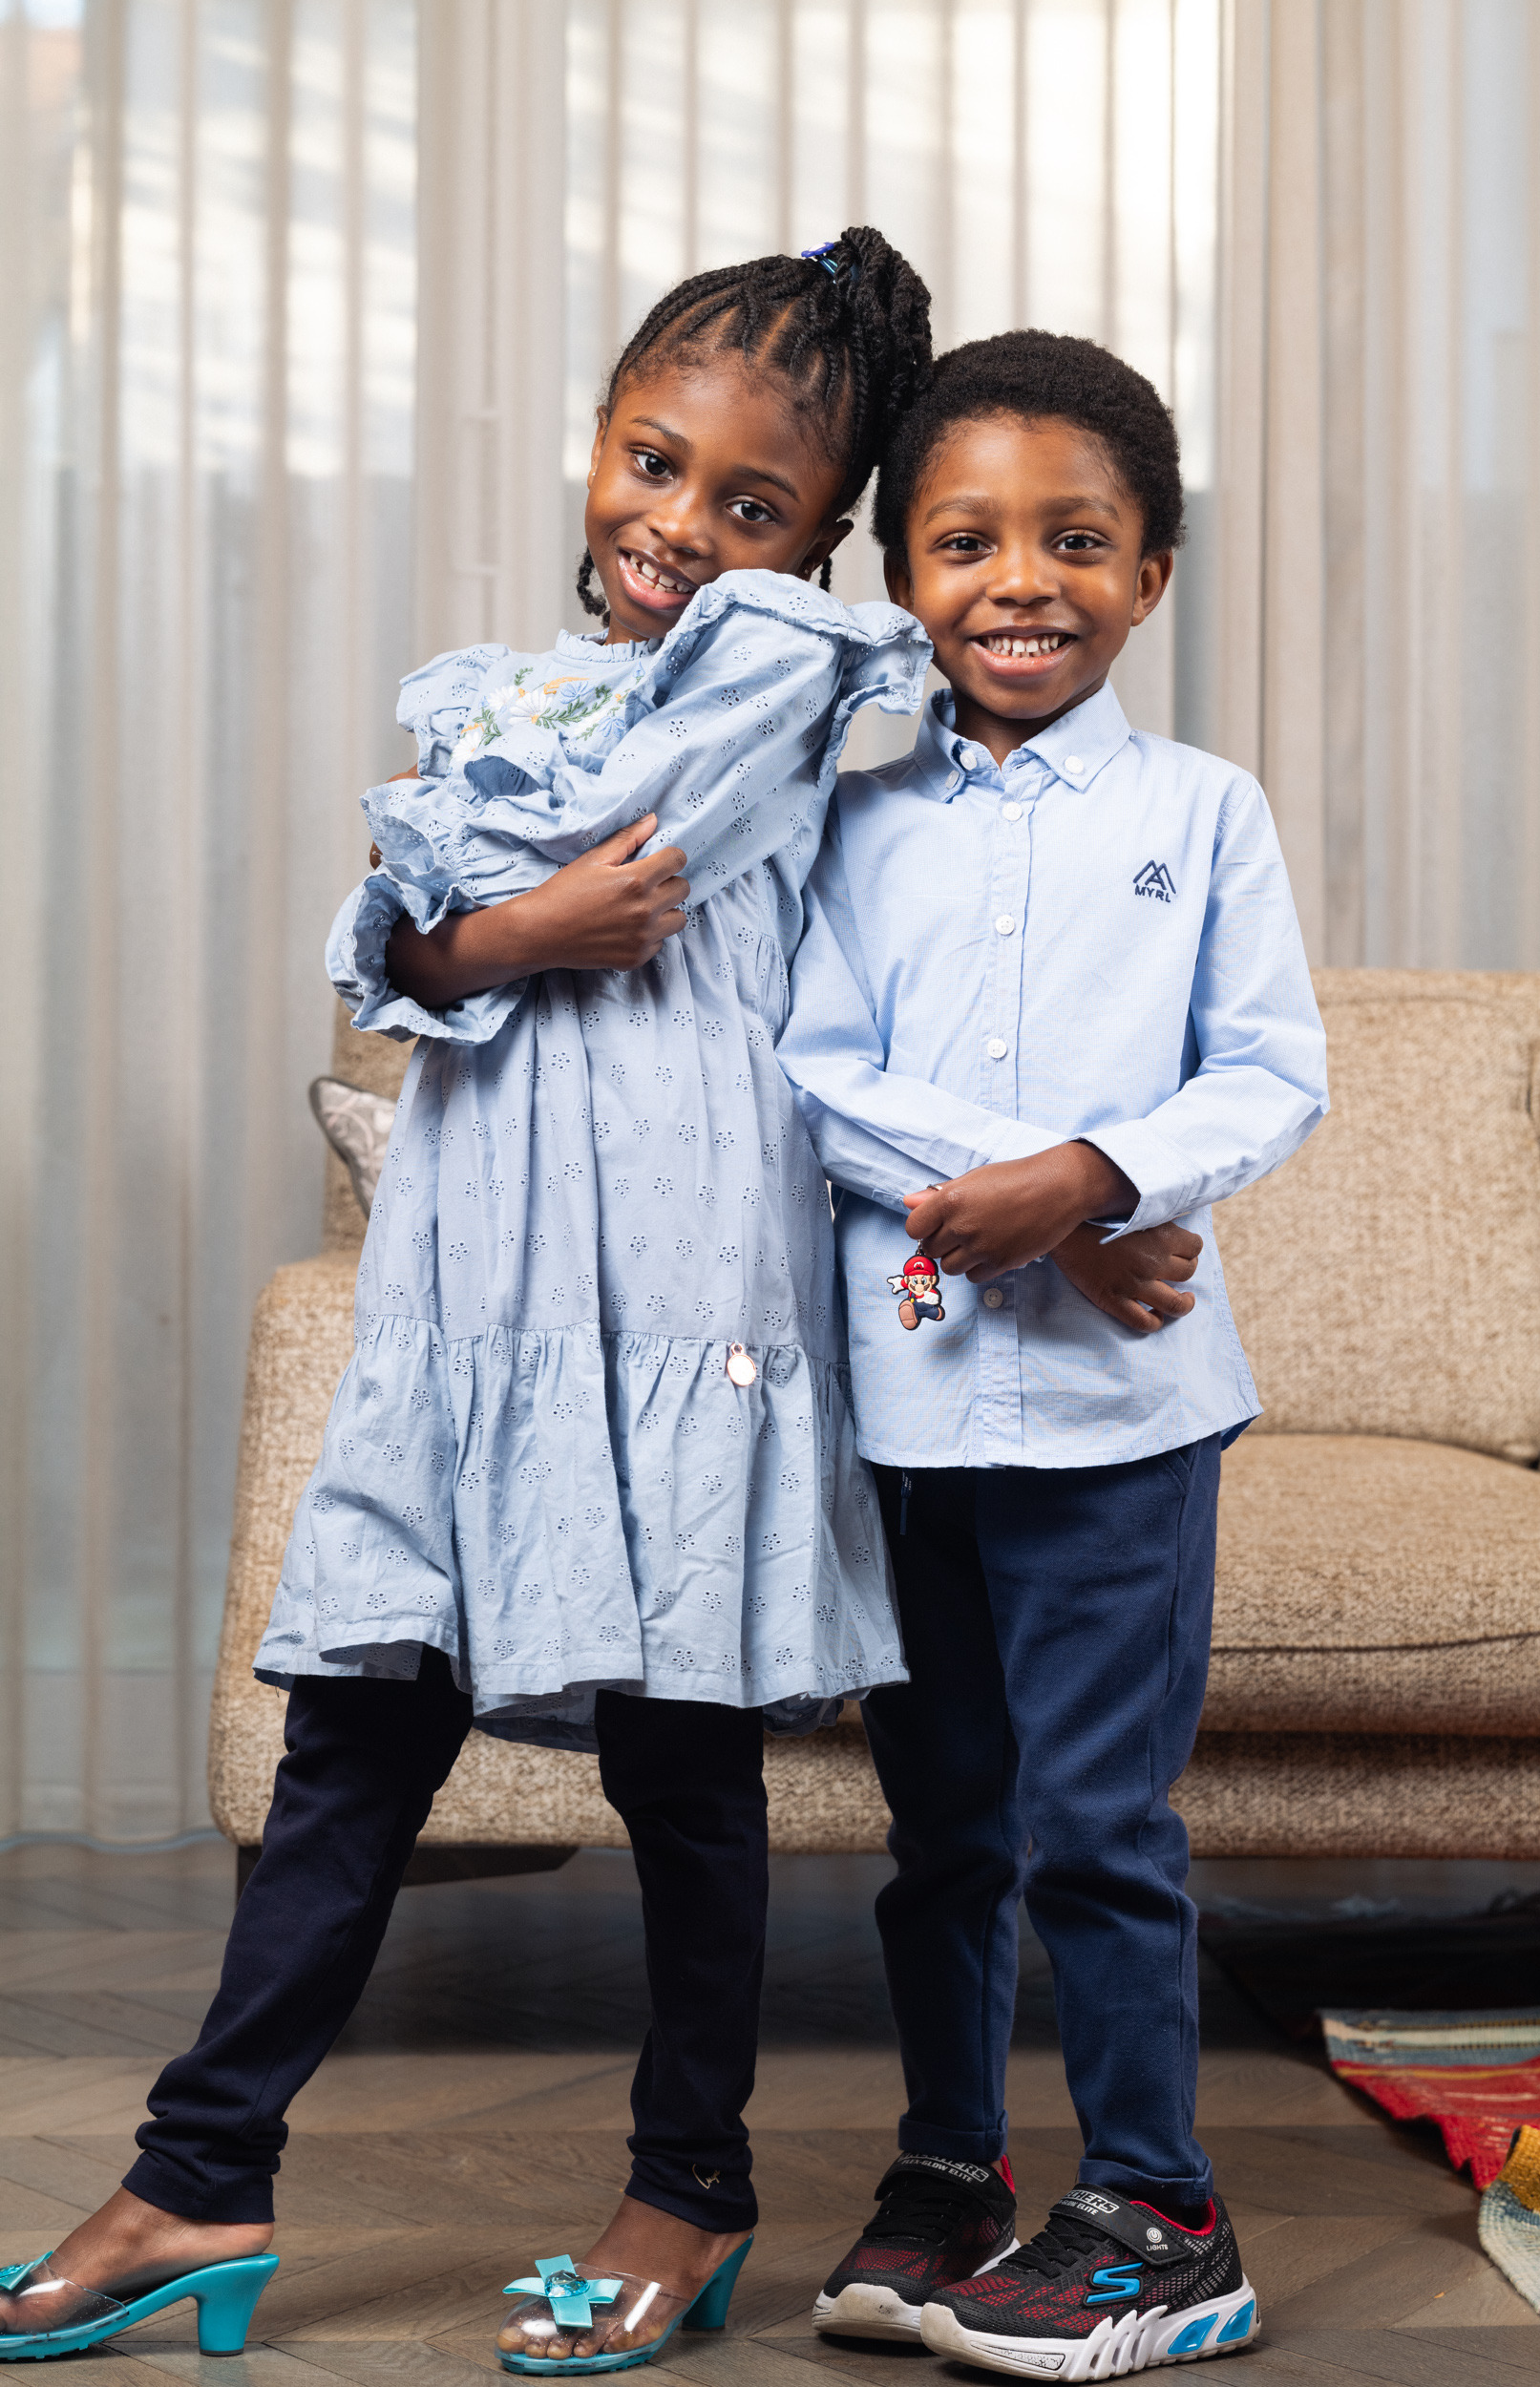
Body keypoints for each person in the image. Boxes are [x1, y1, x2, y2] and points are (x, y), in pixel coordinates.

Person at [0, 230, 934, 2376]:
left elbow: (544, 849)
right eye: (652, 460)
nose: (677, 525)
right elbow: (416, 936)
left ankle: (690, 2190)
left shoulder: (780, 676)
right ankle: (198, 2171)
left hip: (676, 1303)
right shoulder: (499, 686)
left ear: (818, 542)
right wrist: (495, 935)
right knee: (352, 1743)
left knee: (683, 1768)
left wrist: (473, 905)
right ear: (597, 436)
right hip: (475, 1305)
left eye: (752, 502)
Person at [777, 329, 1330, 2376]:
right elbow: (815, 1070)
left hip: (1124, 1427)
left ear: (1152, 571)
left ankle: (1162, 2213)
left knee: (1099, 1825)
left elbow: (1268, 1069)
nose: (1023, 579)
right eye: (968, 540)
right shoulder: (850, 820)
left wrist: (1096, 1178)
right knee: (946, 1834)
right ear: (901, 576)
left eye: (1077, 540)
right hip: (912, 1408)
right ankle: (950, 2172)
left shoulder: (1206, 811)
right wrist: (1033, 1207)